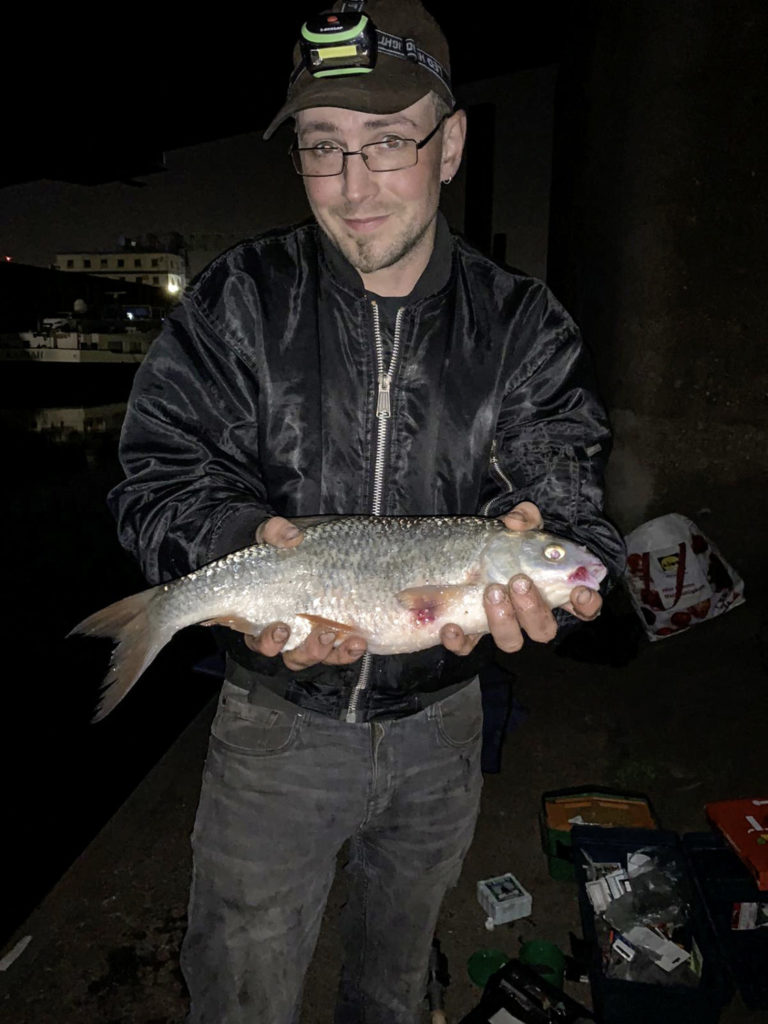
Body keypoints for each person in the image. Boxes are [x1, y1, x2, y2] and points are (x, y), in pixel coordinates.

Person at [108, 1, 626, 1020]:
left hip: (443, 730)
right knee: (241, 989)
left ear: (450, 145)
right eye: (323, 148)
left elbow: (568, 493)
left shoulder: (522, 325)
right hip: (272, 729)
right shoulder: (235, 302)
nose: (353, 188)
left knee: (391, 978)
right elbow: (156, 476)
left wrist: (569, 577)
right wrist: (230, 555)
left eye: (389, 142)